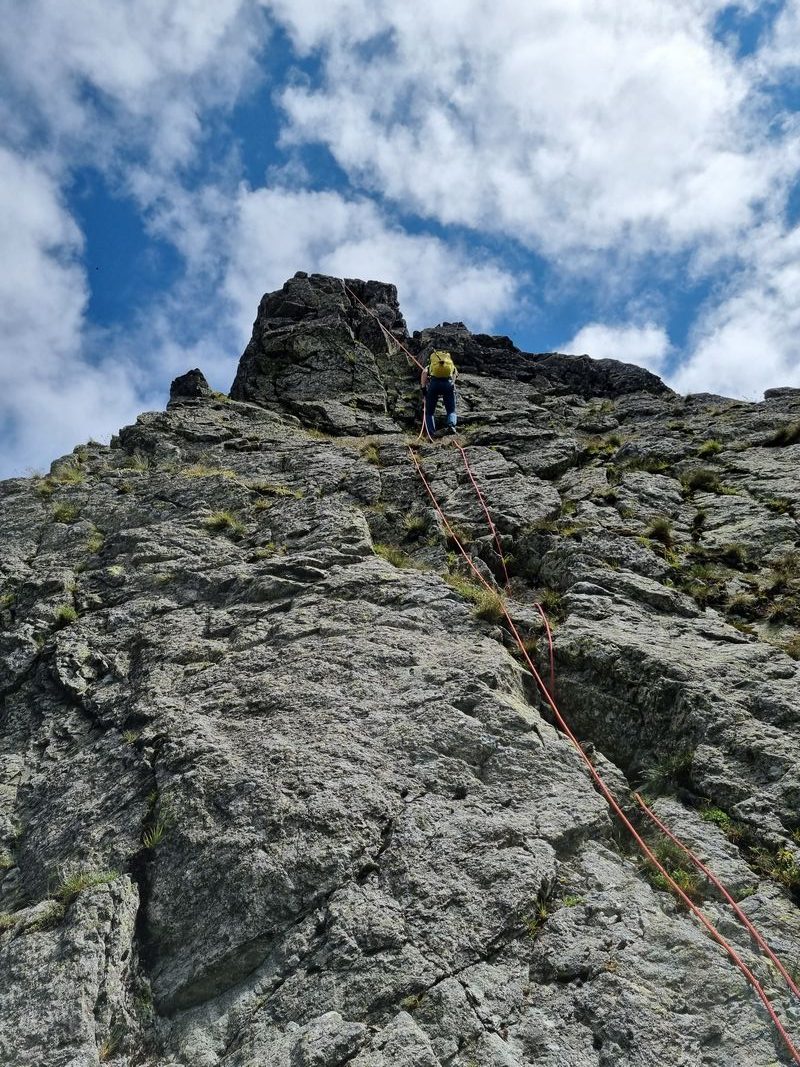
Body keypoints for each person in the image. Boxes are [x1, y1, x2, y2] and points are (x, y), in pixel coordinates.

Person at [421, 349, 458, 438]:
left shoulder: (431, 365)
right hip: (448, 384)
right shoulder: (450, 364)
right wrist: (452, 383)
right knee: (451, 410)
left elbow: (424, 373)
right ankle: (451, 425)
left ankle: (431, 433)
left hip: (434, 384)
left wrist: (423, 389)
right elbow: (455, 374)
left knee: (429, 412)